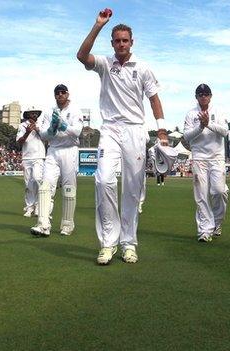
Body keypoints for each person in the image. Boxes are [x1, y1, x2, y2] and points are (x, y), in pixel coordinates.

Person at [77, 9, 169, 264]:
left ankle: (128, 242)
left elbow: (154, 99)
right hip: (109, 130)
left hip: (135, 130)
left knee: (132, 188)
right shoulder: (105, 64)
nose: (120, 44)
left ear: (132, 42)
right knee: (104, 180)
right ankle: (108, 243)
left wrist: (161, 130)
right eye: (116, 40)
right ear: (112, 43)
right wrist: (97, 25)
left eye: (124, 40)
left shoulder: (143, 68)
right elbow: (81, 56)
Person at [31, 84, 83, 236]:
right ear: (54, 95)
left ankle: (67, 225)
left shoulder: (75, 110)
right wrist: (51, 130)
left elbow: (77, 131)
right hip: (53, 151)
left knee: (68, 188)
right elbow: (43, 135)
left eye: (63, 92)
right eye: (57, 93)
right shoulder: (48, 112)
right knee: (45, 186)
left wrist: (63, 125)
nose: (60, 95)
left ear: (67, 94)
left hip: (69, 150)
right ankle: (43, 224)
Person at [183, 84, 229, 242]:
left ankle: (217, 222)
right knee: (201, 195)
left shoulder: (219, 111)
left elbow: (225, 132)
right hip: (199, 158)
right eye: (200, 94)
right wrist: (201, 126)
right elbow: (187, 136)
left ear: (210, 96)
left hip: (216, 157)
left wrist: (208, 123)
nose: (203, 96)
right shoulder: (191, 114)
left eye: (206, 94)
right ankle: (205, 230)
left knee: (219, 191)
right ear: (196, 96)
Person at [16, 109, 45, 217]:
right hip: (27, 157)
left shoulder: (42, 124)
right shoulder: (22, 126)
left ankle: (38, 206)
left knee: (38, 179)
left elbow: (47, 137)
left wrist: (37, 129)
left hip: (39, 156)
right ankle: (29, 207)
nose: (35, 115)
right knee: (28, 184)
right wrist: (27, 132)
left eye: (36, 113)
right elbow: (19, 142)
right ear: (27, 115)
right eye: (32, 113)